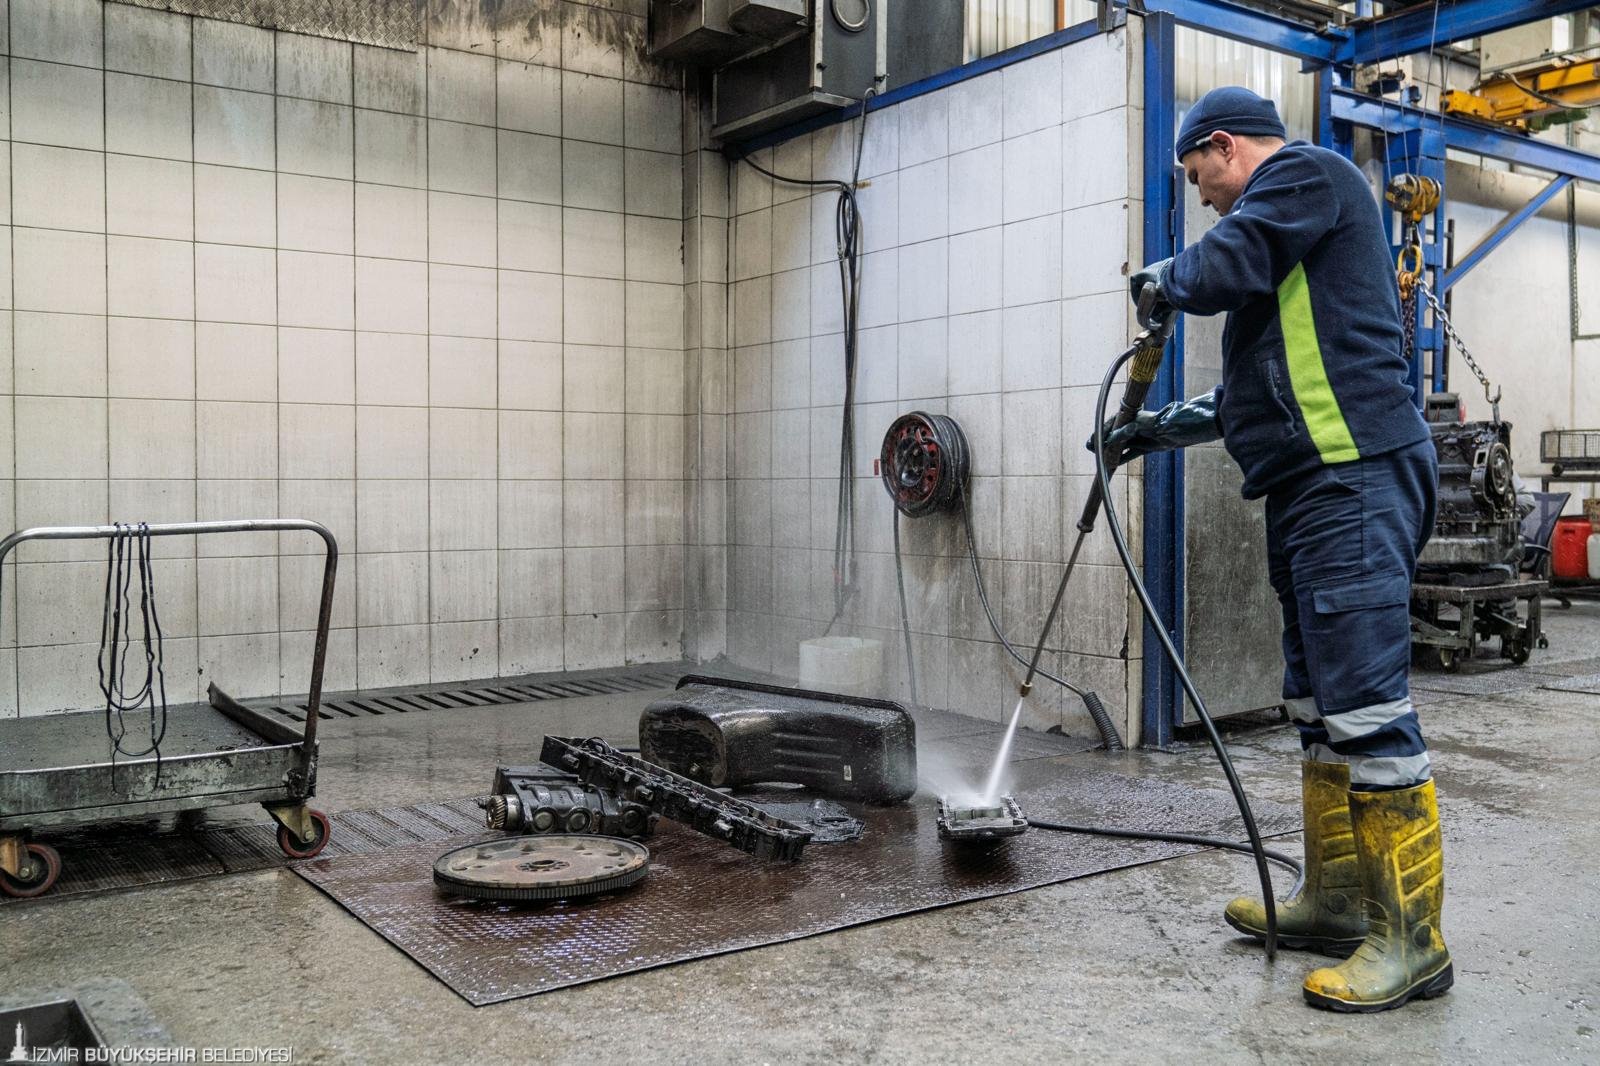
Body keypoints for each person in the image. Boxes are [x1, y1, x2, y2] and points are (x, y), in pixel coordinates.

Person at [1096, 86, 1451, 1013]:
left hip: (1355, 474)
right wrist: (1152, 430)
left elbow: (1219, 263)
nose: (1202, 194)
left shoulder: (1305, 177)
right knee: (1317, 704)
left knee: (1367, 707)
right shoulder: (1283, 253)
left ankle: (1414, 943)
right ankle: (1337, 902)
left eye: (1197, 174)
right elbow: (1253, 393)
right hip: (1310, 487)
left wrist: (1163, 279)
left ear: (1224, 146)